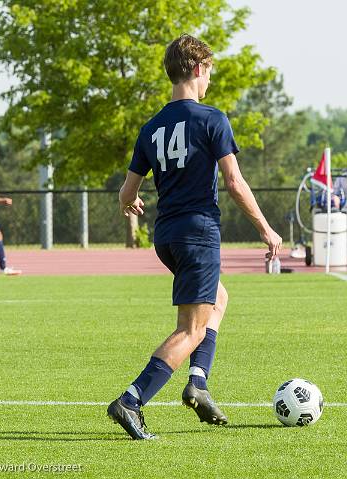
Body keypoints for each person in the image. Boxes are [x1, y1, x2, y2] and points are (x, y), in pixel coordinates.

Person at [107, 34, 282, 440]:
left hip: (165, 235)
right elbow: (235, 182)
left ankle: (198, 383)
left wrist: (128, 205)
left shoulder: (151, 127)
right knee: (191, 329)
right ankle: (132, 399)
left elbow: (126, 193)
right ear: (199, 69)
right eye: (209, 75)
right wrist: (266, 227)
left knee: (218, 299)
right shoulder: (211, 118)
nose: (208, 84)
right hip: (199, 232)